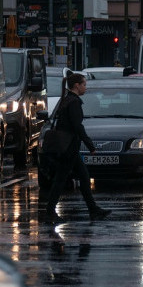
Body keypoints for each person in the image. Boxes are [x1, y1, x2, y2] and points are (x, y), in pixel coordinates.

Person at [43, 70, 111, 223]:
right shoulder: (73, 102)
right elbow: (77, 126)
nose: (85, 88)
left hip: (69, 147)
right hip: (69, 148)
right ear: (76, 86)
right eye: (84, 85)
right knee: (61, 180)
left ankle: (93, 210)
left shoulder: (67, 100)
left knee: (83, 177)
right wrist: (90, 146)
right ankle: (49, 212)